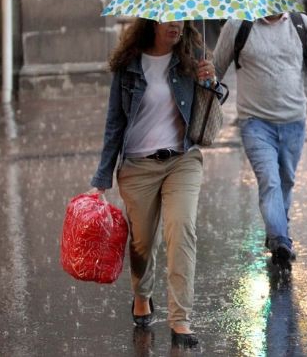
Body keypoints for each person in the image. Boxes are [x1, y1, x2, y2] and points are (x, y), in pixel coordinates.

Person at [90, 18, 222, 347]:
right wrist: (102, 177)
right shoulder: (130, 64)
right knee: (142, 243)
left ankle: (180, 320)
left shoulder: (192, 55)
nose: (175, 26)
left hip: (183, 159)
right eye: (167, 21)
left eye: (180, 20)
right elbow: (114, 122)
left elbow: (213, 104)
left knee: (182, 230)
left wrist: (211, 82)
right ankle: (142, 294)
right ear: (152, 23)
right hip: (137, 166)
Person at [212, 0, 307, 270]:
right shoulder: (239, 25)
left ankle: (278, 232)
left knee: (287, 181)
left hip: (294, 120)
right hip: (255, 123)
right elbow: (217, 68)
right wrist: (203, 88)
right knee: (270, 182)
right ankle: (280, 240)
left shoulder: (301, 24)